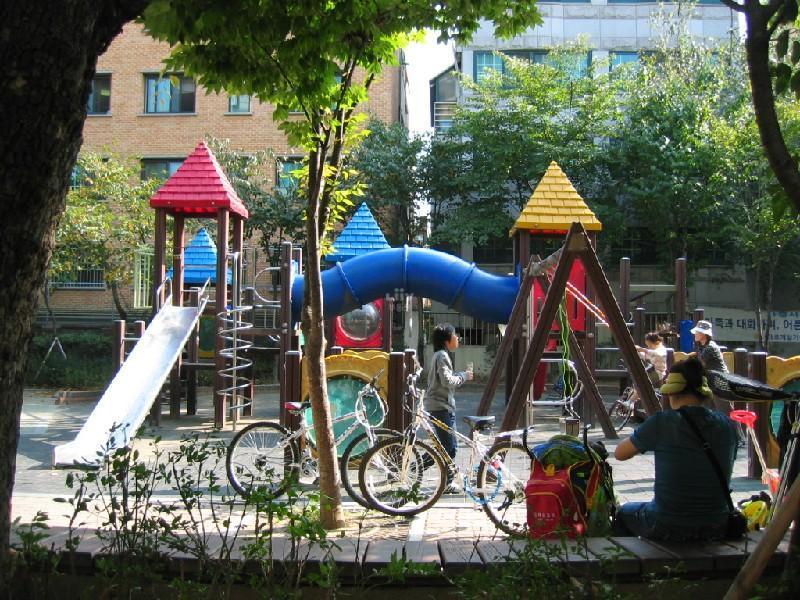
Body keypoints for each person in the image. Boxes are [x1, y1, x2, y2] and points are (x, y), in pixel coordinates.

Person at [613, 357, 738, 541]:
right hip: (718, 524)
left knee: (623, 512)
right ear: (703, 392)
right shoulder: (727, 425)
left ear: (671, 392)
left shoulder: (663, 422)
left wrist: (644, 435)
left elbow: (619, 454)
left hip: (667, 523)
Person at [425, 323, 472, 492]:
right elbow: (447, 381)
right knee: (449, 447)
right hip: (440, 406)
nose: (457, 338)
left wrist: (460, 375)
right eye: (454, 335)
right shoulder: (442, 356)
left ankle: (419, 468)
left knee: (447, 446)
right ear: (447, 340)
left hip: (441, 405)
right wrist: (463, 376)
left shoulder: (440, 355)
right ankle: (446, 482)